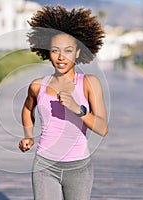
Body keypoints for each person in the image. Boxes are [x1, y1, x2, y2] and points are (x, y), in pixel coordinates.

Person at [18, 5, 108, 200]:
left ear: (77, 52)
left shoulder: (90, 84)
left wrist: (79, 110)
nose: (60, 57)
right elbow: (27, 109)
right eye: (55, 51)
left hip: (78, 167)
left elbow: (102, 128)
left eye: (68, 51)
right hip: (44, 165)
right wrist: (28, 135)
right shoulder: (37, 86)